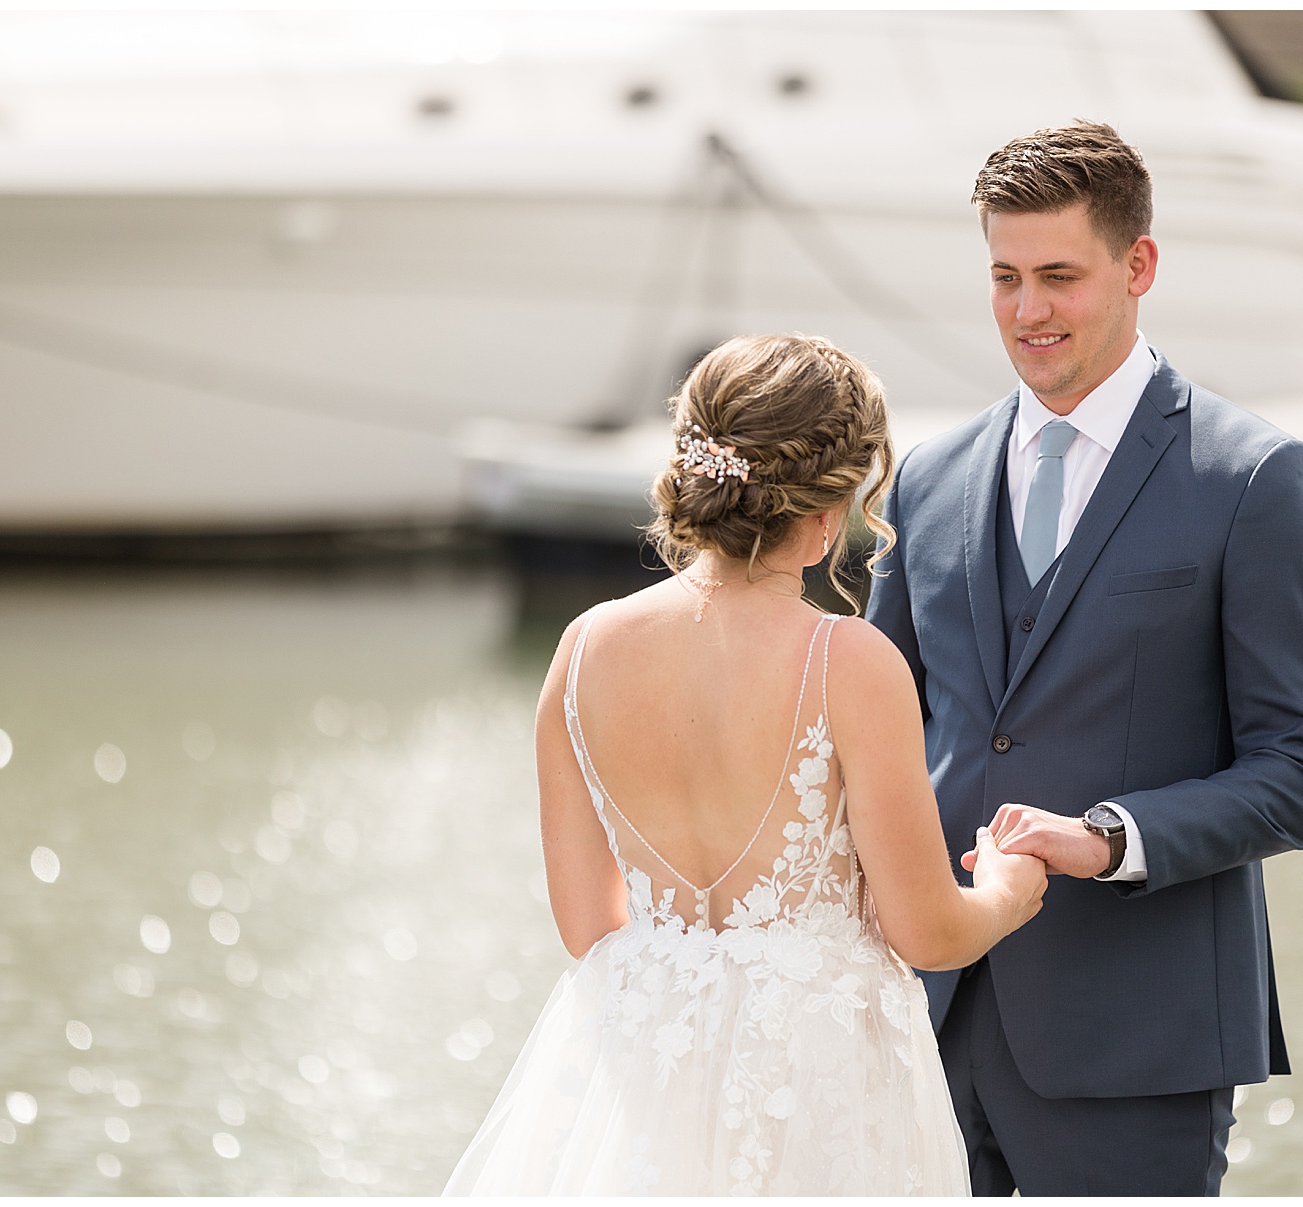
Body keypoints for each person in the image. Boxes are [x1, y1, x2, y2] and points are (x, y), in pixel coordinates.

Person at [865, 121, 1303, 1196]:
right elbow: (879, 733)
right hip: (925, 1026)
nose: (1027, 311)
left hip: (1141, 1042)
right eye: (1004, 276)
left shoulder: (1253, 478)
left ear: (1138, 267)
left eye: (1058, 277)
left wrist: (1108, 838)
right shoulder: (929, 479)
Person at [444, 334, 1048, 1194]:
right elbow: (928, 933)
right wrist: (1005, 888)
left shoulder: (582, 651)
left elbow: (589, 926)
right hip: (821, 1082)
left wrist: (704, 996)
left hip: (649, 1070)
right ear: (826, 513)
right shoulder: (849, 662)